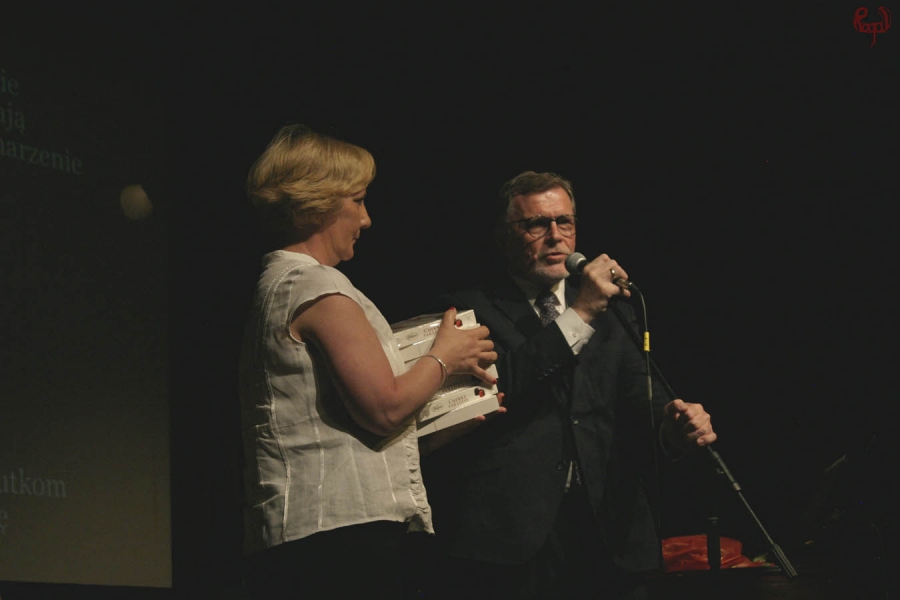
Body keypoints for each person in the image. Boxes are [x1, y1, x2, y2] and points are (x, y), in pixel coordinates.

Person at [421, 171, 717, 599]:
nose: (555, 236)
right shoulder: (470, 308)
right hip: (515, 537)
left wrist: (673, 425)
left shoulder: (614, 311)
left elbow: (641, 399)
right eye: (535, 224)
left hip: (609, 531)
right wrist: (581, 313)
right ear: (504, 236)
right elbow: (500, 388)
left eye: (565, 222)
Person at [237, 124, 498, 599]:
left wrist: (443, 421)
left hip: (319, 532)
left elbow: (340, 426)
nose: (366, 218)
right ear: (319, 204)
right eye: (357, 201)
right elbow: (383, 408)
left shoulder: (283, 284)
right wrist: (446, 356)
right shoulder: (317, 287)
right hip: (336, 539)